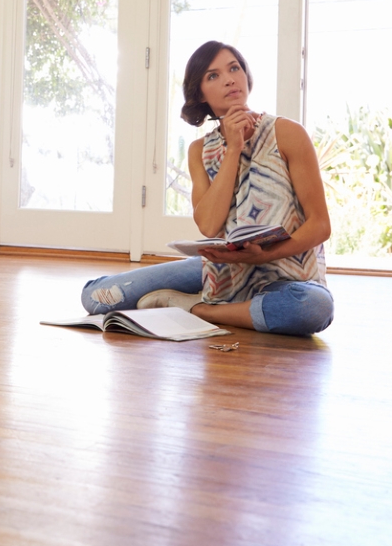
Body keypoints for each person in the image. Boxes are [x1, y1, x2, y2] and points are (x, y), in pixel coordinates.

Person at [81, 40, 334, 336]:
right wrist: (233, 149)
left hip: (288, 273)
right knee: (97, 297)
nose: (229, 79)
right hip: (221, 271)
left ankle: (198, 310)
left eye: (234, 68)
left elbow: (320, 225)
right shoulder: (199, 150)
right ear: (200, 94)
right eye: (213, 76)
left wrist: (262, 256)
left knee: (311, 308)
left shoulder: (287, 133)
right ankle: (238, 309)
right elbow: (210, 225)